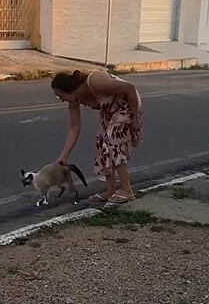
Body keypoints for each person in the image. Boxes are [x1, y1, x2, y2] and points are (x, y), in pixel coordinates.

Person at [51, 69, 142, 204]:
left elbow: (129, 88)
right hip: (109, 109)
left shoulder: (94, 82)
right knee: (101, 142)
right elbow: (74, 128)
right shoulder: (74, 101)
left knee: (111, 142)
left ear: (68, 90)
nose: (61, 100)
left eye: (60, 96)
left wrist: (136, 119)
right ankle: (110, 190)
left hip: (128, 104)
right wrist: (64, 156)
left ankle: (127, 190)